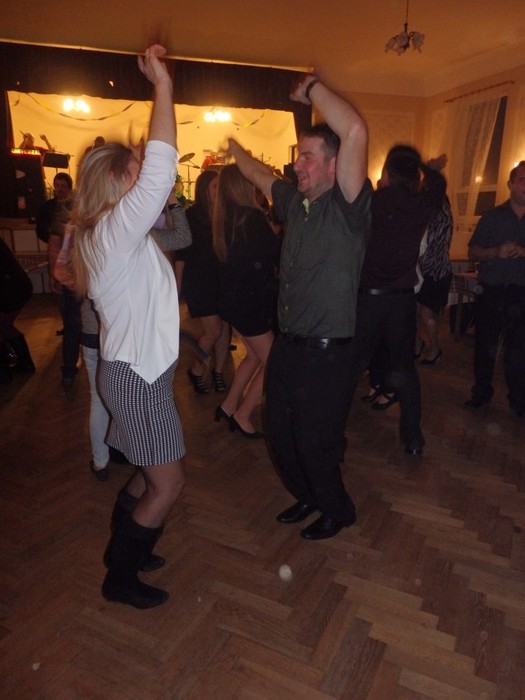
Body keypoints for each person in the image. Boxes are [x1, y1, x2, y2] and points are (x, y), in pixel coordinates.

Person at [227, 72, 371, 539]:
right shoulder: (295, 204)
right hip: (289, 343)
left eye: (308, 156)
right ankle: (308, 495)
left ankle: (337, 508)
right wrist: (235, 150)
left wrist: (312, 91)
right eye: (298, 155)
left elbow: (355, 130)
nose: (296, 165)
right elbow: (259, 175)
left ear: (334, 165)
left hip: (329, 351)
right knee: (280, 429)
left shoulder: (347, 207)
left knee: (316, 438)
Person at [71, 44, 185, 609]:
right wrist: (162, 87)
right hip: (136, 379)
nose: (147, 188)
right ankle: (120, 576)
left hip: (135, 374)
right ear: (118, 181)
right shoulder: (114, 232)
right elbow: (162, 171)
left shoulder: (108, 234)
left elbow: (157, 176)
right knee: (168, 483)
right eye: (136, 176)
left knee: (147, 472)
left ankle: (126, 548)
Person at [350, 147, 446, 456]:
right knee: (404, 369)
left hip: (369, 299)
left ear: (387, 173)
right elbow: (438, 186)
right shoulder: (420, 205)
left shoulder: (375, 202)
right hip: (402, 301)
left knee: (352, 366)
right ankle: (413, 439)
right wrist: (426, 167)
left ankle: (331, 436)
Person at [213, 164, 281, 437]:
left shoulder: (225, 217)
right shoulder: (251, 217)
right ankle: (243, 414)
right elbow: (275, 253)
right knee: (273, 361)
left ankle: (229, 405)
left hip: (234, 301)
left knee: (254, 356)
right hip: (250, 302)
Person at [464, 161, 525, 416]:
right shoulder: (492, 217)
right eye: (522, 180)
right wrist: (495, 251)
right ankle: (481, 392)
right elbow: (473, 251)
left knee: (519, 350)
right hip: (492, 290)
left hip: (521, 294)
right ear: (510, 184)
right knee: (485, 345)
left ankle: (519, 399)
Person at [174, 169, 231, 395]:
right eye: (215, 187)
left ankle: (218, 371)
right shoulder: (192, 216)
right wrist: (177, 287)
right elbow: (181, 255)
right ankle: (196, 369)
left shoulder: (224, 215)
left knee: (224, 328)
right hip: (200, 281)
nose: (219, 191)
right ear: (204, 189)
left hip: (222, 279)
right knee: (214, 330)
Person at [416, 194, 453, 365]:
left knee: (426, 312)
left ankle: (435, 349)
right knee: (416, 310)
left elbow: (429, 248)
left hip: (436, 272)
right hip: (426, 271)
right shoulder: (436, 214)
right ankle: (418, 345)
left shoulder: (440, 215)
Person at [0, 238, 35, 383]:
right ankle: (25, 364)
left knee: (3, 327)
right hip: (17, 287)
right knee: (6, 327)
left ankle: (3, 374)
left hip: (9, 291)